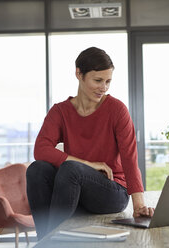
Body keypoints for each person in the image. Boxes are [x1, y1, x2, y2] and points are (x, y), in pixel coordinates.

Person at [26, 47, 154, 240]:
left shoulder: (117, 110)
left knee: (71, 169)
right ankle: (45, 238)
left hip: (112, 190)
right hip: (75, 188)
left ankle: (49, 244)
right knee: (37, 169)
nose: (103, 87)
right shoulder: (60, 112)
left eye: (108, 81)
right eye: (98, 80)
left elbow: (129, 158)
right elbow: (40, 150)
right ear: (79, 73)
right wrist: (89, 165)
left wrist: (138, 205)